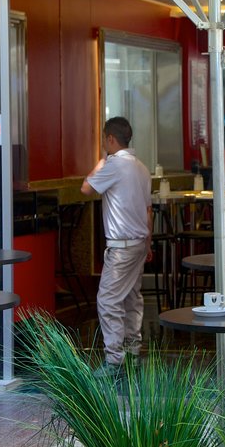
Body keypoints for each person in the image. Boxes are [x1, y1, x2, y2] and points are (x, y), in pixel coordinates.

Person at [81, 116, 153, 376]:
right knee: (132, 297)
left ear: (110, 139)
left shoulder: (113, 165)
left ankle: (114, 360)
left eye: (104, 140)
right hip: (138, 244)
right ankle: (133, 352)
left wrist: (100, 163)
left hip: (121, 247)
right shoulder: (142, 168)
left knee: (108, 299)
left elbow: (86, 188)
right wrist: (149, 243)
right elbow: (148, 211)